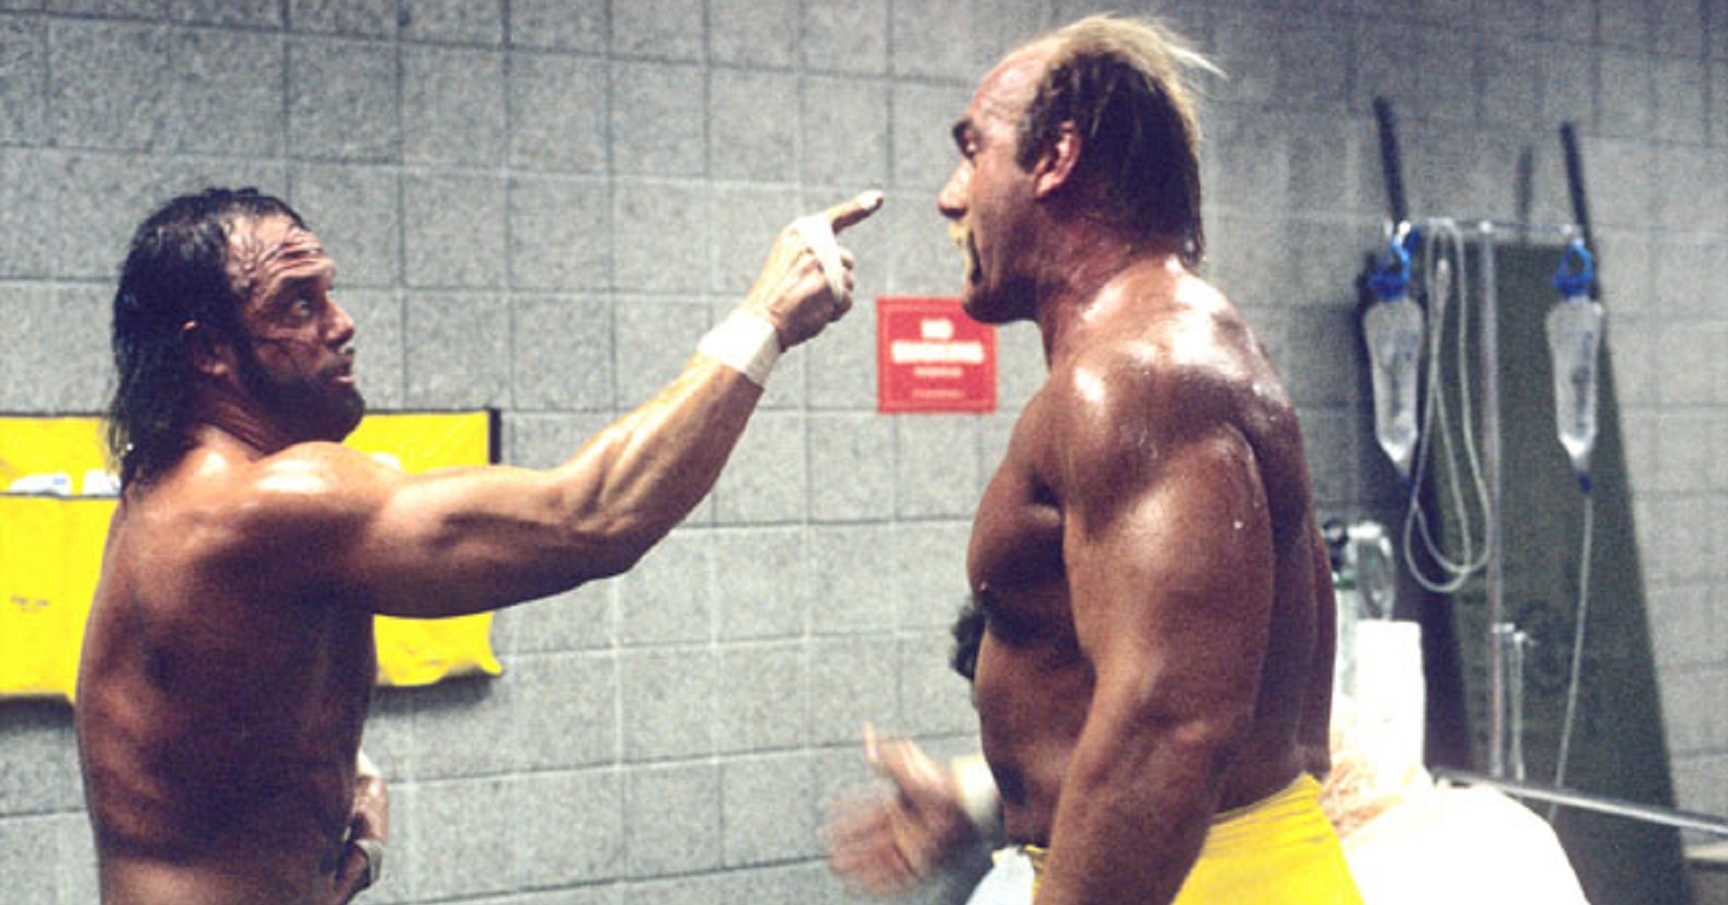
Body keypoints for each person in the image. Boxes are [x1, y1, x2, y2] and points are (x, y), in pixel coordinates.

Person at [75, 185, 882, 905]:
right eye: (297, 304)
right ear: (208, 352)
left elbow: (209, 729)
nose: (342, 324)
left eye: (329, 292)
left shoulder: (167, 486)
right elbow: (594, 515)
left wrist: (335, 815)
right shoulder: (261, 505)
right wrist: (767, 319)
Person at [825, 14, 1357, 905]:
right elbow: (1151, 692)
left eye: (973, 151)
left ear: (1056, 157)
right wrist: (988, 800)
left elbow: (1173, 723)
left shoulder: (1141, 373)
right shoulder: (1175, 352)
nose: (951, 198)